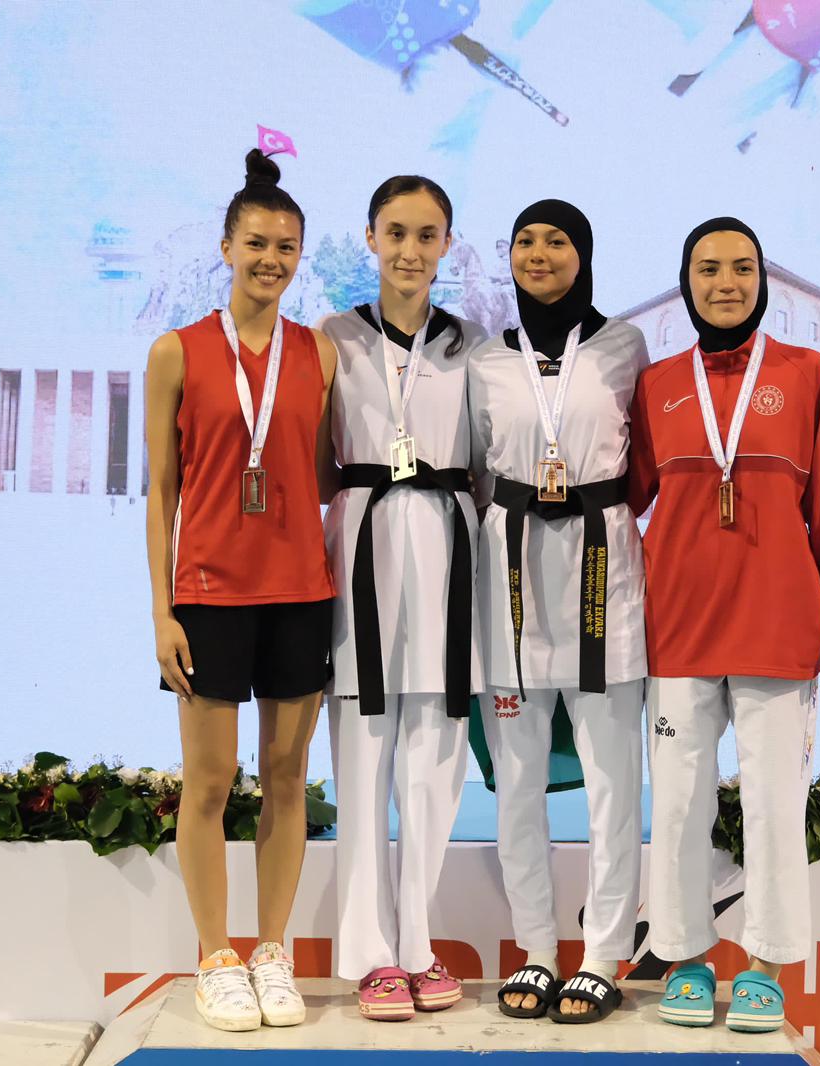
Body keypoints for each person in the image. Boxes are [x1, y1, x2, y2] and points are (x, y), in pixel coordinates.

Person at [629, 217, 820, 1033]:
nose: (725, 283)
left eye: (741, 268)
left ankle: (766, 966)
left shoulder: (805, 373)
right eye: (708, 268)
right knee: (679, 805)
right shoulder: (657, 384)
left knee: (772, 805)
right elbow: (625, 498)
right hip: (678, 625)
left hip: (778, 622)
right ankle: (685, 956)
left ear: (762, 281)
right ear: (685, 281)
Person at [144, 148, 338, 1032]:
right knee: (210, 780)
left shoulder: (319, 354)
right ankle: (215, 955)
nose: (271, 259)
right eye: (256, 243)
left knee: (288, 776)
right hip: (210, 595)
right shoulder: (177, 352)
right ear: (226, 247)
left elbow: (323, 473)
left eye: (286, 247)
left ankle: (272, 951)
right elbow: (162, 492)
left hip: (300, 591)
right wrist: (162, 611)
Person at [468, 199, 649, 1024]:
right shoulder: (486, 359)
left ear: (585, 253)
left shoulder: (624, 346)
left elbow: (643, 464)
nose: (538, 254)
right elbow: (477, 469)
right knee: (517, 783)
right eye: (524, 241)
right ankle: (538, 949)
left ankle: (604, 953)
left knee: (613, 783)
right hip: (509, 581)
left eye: (556, 240)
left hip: (603, 575)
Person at [319, 176, 488, 1020]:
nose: (410, 251)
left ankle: (417, 945)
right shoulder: (333, 339)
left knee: (435, 767)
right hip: (363, 551)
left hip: (450, 559)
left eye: (427, 235)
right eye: (396, 233)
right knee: (362, 760)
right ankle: (369, 954)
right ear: (370, 237)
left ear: (447, 244)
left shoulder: (473, 346)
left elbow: (489, 463)